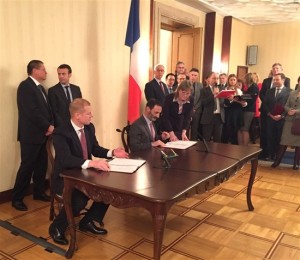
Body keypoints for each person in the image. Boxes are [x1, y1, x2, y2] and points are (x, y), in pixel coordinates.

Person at [49, 98, 128, 245]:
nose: (92, 116)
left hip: (85, 173)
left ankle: (88, 221)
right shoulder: (61, 132)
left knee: (109, 190)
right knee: (79, 198)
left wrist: (113, 152)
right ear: (77, 116)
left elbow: (95, 149)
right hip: (65, 177)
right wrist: (92, 163)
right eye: (89, 113)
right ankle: (56, 227)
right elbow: (66, 159)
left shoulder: (89, 127)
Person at [12, 60, 54, 211]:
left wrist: (50, 126)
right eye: (43, 69)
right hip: (30, 136)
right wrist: (47, 126)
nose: (46, 72)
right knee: (27, 167)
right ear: (35, 71)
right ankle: (17, 199)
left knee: (41, 166)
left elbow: (46, 110)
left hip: (42, 134)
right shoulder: (25, 86)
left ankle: (38, 192)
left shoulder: (41, 88)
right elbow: (31, 111)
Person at [259, 63, 290, 160]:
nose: (275, 81)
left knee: (279, 137)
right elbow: (265, 104)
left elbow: (288, 105)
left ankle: (278, 155)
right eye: (274, 80)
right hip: (270, 117)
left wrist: (282, 115)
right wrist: (269, 114)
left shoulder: (289, 91)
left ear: (283, 80)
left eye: (277, 80)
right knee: (269, 136)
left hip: (281, 118)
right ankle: (270, 154)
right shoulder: (269, 91)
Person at [272, 87, 300, 169]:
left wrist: (296, 111)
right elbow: (286, 105)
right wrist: (289, 110)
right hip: (289, 120)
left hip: (298, 121)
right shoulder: (292, 93)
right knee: (283, 140)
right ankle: (277, 161)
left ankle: (296, 163)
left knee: (298, 143)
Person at [200, 72, 225, 143]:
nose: (216, 80)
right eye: (214, 78)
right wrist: (213, 95)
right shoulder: (204, 90)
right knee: (206, 139)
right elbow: (203, 103)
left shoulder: (222, 89)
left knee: (218, 140)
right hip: (208, 117)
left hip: (219, 117)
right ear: (208, 80)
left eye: (217, 78)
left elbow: (224, 103)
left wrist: (230, 99)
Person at [222, 74, 246, 144]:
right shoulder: (226, 89)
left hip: (237, 112)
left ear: (236, 81)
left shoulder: (239, 90)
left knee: (235, 130)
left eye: (234, 80)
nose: (232, 81)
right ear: (228, 81)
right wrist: (231, 100)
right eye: (231, 80)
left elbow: (244, 101)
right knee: (227, 129)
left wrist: (243, 103)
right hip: (229, 111)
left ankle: (235, 146)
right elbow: (225, 103)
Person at [238, 73, 259, 146]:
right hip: (246, 110)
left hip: (249, 110)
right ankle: (240, 146)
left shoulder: (254, 87)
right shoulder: (250, 87)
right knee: (241, 129)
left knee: (245, 129)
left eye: (245, 78)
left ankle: (244, 147)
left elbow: (250, 98)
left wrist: (239, 96)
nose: (244, 80)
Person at [189, 68, 203, 140]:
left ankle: (193, 143)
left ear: (197, 76)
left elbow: (201, 99)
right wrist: (191, 108)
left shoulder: (200, 85)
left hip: (197, 111)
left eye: (195, 75)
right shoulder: (185, 83)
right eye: (192, 75)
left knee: (195, 129)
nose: (193, 77)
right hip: (187, 110)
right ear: (189, 75)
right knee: (186, 128)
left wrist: (195, 108)